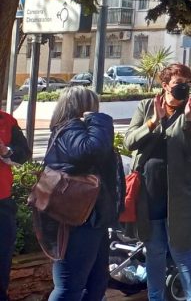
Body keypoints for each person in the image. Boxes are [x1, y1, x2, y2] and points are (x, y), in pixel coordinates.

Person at [124, 63, 191, 301]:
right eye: (178, 84)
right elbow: (129, 142)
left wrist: (189, 121)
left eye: (187, 84)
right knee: (155, 253)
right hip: (149, 193)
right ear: (165, 85)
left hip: (179, 193)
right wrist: (153, 121)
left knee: (182, 250)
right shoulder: (146, 106)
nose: (183, 88)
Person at [42, 87, 121, 301]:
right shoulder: (70, 130)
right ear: (85, 108)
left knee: (95, 284)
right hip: (75, 220)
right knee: (70, 287)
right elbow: (93, 150)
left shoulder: (77, 131)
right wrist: (99, 120)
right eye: (94, 106)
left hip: (91, 217)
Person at [0, 103, 30, 301]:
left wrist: (6, 151)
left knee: (2, 260)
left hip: (2, 203)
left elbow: (23, 154)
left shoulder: (6, 120)